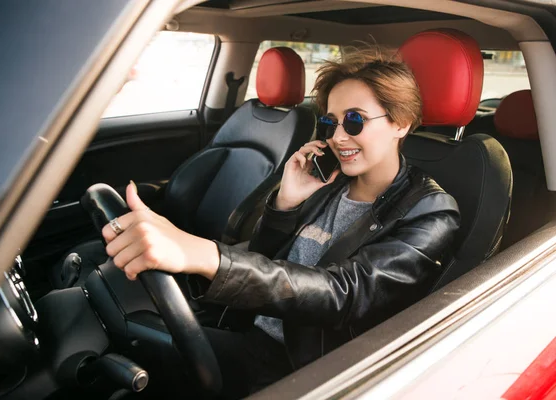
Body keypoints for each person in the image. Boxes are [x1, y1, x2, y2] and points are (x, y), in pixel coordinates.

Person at [101, 46, 460, 397]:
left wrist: (203, 254)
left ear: (401, 123)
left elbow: (344, 294)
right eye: (330, 122)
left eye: (354, 120)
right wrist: (286, 203)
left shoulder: (431, 212)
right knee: (109, 323)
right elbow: (265, 257)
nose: (337, 137)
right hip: (247, 328)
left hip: (306, 366)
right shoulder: (328, 180)